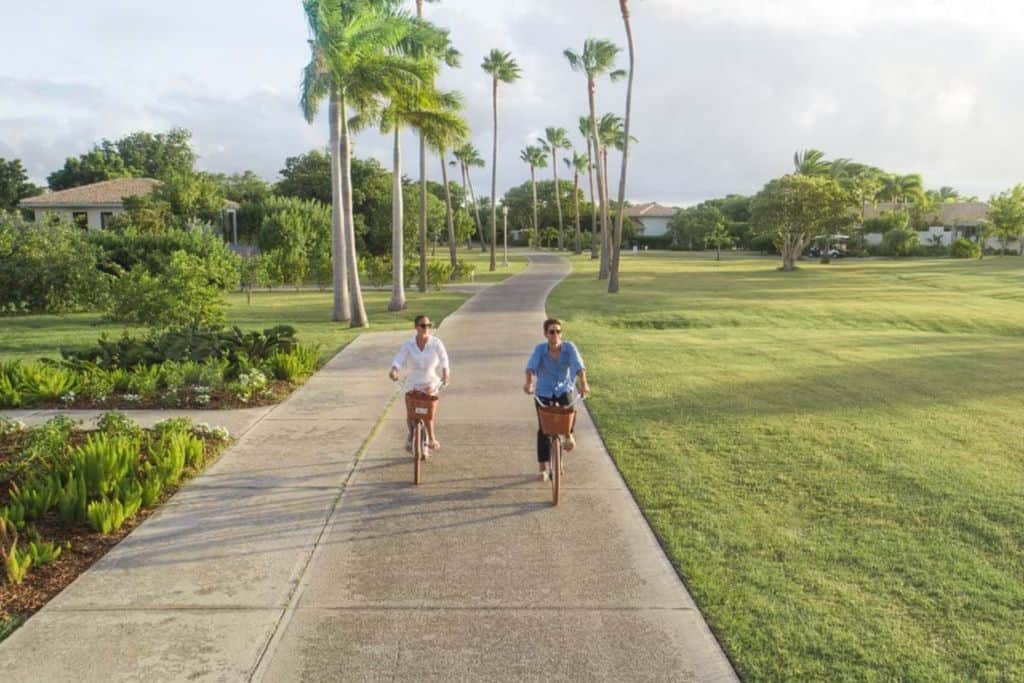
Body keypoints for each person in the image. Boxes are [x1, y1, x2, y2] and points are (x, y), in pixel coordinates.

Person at [523, 318, 590, 481]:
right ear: (546, 334)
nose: (555, 335)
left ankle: (568, 436)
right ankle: (543, 468)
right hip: (544, 390)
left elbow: (579, 366)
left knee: (570, 409)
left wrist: (584, 384)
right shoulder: (540, 349)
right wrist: (529, 384)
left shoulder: (569, 348)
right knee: (544, 429)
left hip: (563, 388)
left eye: (558, 331)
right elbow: (531, 367)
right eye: (552, 332)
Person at [389, 315, 450, 453]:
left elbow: (444, 358)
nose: (426, 328)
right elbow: (400, 357)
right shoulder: (409, 344)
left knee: (428, 413)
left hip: (430, 382)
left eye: (428, 325)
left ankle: (432, 438)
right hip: (413, 382)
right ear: (416, 327)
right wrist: (394, 370)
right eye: (423, 326)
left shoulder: (436, 343)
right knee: (411, 414)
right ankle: (411, 435)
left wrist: (446, 374)